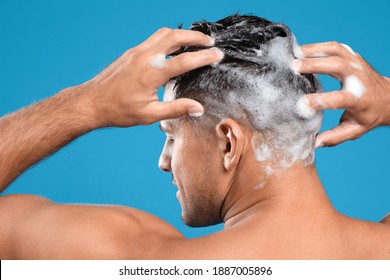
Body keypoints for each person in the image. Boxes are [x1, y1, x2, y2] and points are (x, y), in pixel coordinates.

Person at [0, 14, 389, 259]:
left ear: (228, 144)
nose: (163, 161)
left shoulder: (141, 264)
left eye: (171, 136)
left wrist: (87, 103)